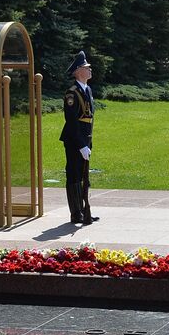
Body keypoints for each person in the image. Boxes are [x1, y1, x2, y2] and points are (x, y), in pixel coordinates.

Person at [60, 50, 99, 226]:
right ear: (77, 71)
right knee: (74, 174)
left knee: (84, 175)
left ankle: (85, 209)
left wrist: (88, 141)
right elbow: (72, 122)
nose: (90, 69)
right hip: (74, 140)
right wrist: (82, 145)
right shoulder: (72, 93)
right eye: (86, 67)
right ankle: (76, 213)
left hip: (85, 138)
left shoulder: (88, 89)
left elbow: (89, 117)